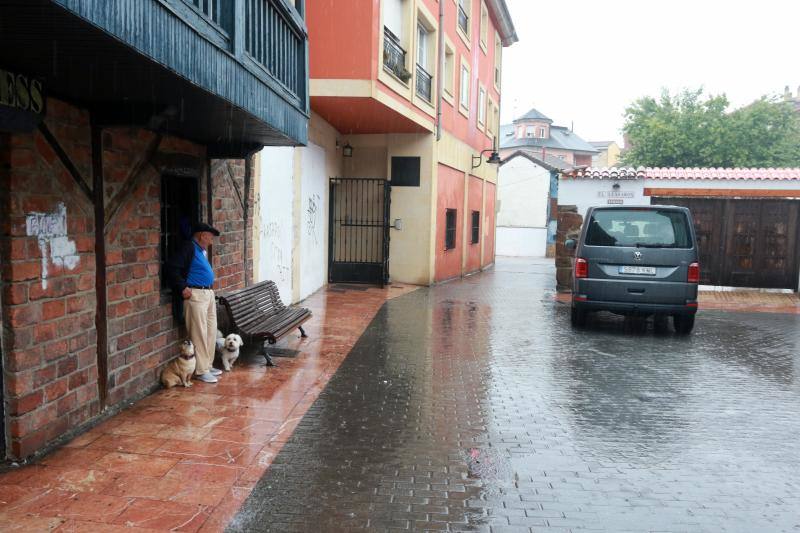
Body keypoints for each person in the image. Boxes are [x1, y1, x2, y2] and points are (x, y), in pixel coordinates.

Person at [167, 222, 222, 383]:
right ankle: (201, 370)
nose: (211, 241)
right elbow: (172, 267)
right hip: (195, 294)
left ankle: (207, 364)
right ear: (201, 235)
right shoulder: (188, 247)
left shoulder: (201, 251)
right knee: (199, 332)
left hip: (208, 293)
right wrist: (182, 287)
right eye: (210, 237)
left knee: (211, 331)